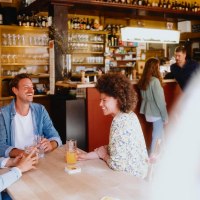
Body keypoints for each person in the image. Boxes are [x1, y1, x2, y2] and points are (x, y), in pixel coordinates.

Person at [78, 73, 148, 178]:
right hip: (141, 175)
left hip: (131, 181)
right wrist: (88, 156)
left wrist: (104, 155)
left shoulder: (119, 122)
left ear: (118, 99)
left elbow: (117, 165)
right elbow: (116, 147)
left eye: (104, 100)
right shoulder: (129, 115)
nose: (100, 104)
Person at [0, 73, 62, 158]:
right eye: (26, 87)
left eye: (32, 87)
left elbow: (56, 137)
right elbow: (1, 146)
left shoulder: (40, 110)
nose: (31, 91)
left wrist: (51, 144)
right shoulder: (3, 114)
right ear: (15, 91)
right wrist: (23, 153)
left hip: (38, 160)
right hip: (16, 163)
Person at [138, 58, 168, 155]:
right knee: (156, 135)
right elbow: (160, 102)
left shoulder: (143, 80)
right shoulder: (155, 81)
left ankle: (164, 152)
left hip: (147, 112)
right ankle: (152, 156)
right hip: (155, 112)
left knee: (160, 132)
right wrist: (165, 117)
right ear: (156, 68)